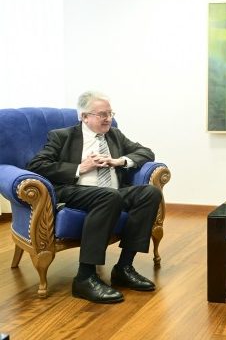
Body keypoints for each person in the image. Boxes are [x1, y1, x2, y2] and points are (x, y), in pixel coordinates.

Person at [27, 91, 162, 303]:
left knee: (150, 193)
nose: (108, 118)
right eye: (102, 114)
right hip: (76, 191)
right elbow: (36, 165)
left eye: (110, 113)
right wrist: (80, 168)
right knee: (109, 197)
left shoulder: (114, 135)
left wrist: (119, 161)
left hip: (112, 192)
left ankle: (124, 268)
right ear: (84, 116)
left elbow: (146, 152)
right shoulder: (62, 136)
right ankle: (85, 277)